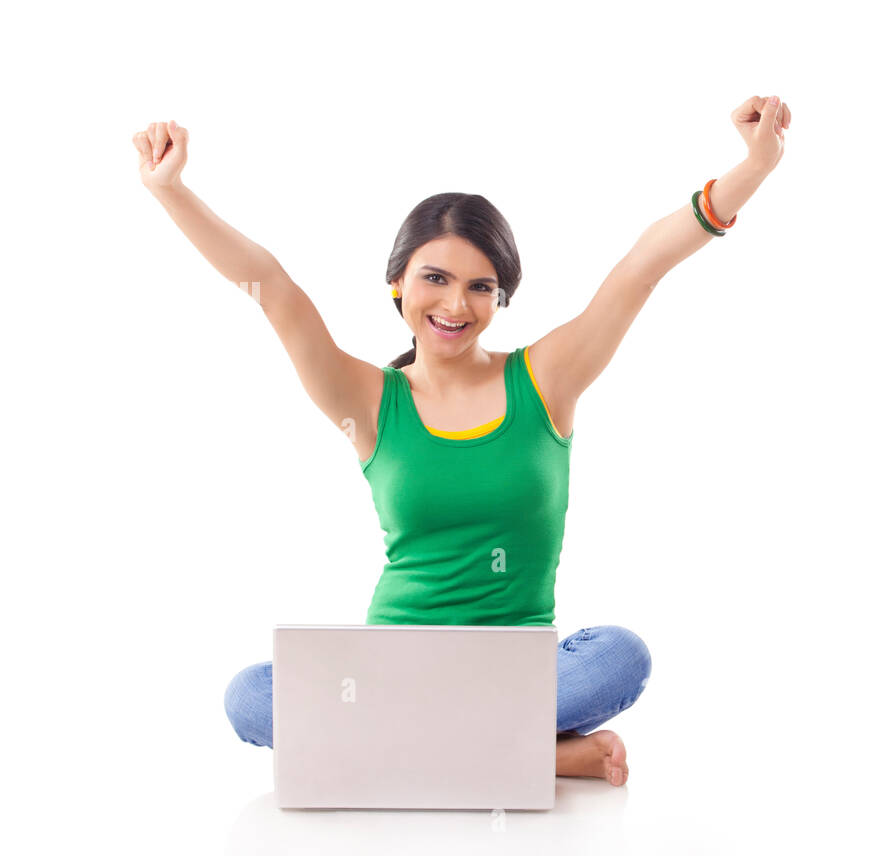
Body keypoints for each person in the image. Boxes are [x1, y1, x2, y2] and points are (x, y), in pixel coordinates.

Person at [132, 98, 790, 788]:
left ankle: (407, 753)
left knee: (622, 657)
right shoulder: (369, 402)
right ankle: (536, 755)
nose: (455, 306)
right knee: (250, 697)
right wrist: (171, 191)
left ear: (501, 296)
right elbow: (271, 289)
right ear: (398, 283)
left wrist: (755, 166)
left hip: (518, 673)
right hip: (392, 673)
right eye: (435, 279)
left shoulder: (546, 381)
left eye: (481, 287)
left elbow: (642, 266)